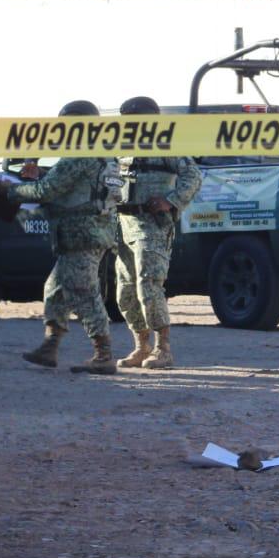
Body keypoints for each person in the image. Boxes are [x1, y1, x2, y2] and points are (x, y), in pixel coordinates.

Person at [4, 100, 120, 374]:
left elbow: (48, 191)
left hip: (81, 233)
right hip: (92, 231)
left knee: (84, 291)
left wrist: (11, 191)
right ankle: (50, 346)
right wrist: (42, 175)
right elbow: (76, 184)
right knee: (55, 290)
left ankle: (103, 354)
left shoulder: (80, 155)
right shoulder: (102, 153)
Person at [111, 96, 201, 369]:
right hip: (124, 225)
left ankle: (163, 349)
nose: (128, 125)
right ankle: (142, 346)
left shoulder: (165, 146)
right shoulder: (121, 148)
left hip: (152, 226)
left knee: (148, 285)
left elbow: (193, 176)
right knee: (125, 291)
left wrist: (171, 200)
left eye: (133, 120)